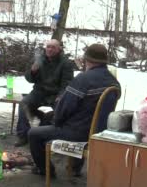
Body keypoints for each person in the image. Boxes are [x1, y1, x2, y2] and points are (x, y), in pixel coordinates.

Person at [28, 43, 121, 177]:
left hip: (78, 133)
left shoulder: (83, 79)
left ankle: (45, 170)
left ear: (87, 60)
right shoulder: (113, 82)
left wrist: (56, 121)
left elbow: (64, 109)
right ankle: (74, 168)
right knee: (57, 117)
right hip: (99, 131)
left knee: (34, 133)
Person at [15, 39, 74, 146]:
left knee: (52, 112)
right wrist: (32, 71)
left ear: (59, 49)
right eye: (48, 47)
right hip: (38, 92)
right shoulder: (40, 60)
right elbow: (29, 79)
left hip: (54, 95)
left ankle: (42, 136)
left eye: (53, 47)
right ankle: (23, 135)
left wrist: (61, 96)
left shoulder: (66, 63)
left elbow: (67, 84)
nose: (50, 49)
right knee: (24, 103)